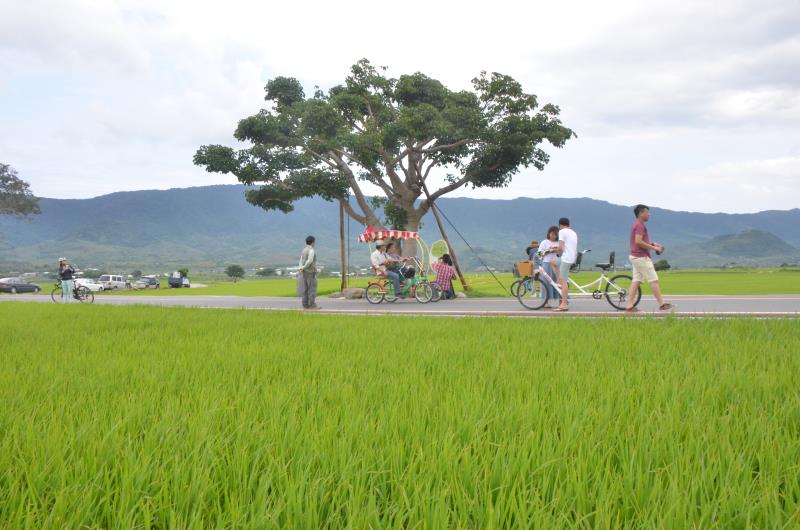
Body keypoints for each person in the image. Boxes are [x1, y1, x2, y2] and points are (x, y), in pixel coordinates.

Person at [626, 205, 673, 313]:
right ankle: (662, 304)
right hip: (641, 257)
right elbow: (638, 241)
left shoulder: (637, 225)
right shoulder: (639, 225)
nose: (649, 214)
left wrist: (651, 244)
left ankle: (629, 306)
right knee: (654, 280)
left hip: (635, 256)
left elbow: (638, 242)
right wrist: (654, 247)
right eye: (647, 212)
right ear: (641, 213)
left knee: (636, 281)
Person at [554, 217, 577, 312]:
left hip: (566, 258)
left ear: (560, 225)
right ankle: (559, 280)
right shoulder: (573, 232)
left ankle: (563, 304)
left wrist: (558, 253)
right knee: (553, 263)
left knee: (564, 282)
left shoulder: (562, 232)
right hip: (572, 258)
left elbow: (561, 247)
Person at [538, 226, 562, 308]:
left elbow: (560, 255)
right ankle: (546, 302)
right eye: (552, 234)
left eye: (555, 234)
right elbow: (539, 254)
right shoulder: (544, 242)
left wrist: (557, 251)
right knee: (546, 282)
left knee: (558, 282)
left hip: (556, 264)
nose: (553, 236)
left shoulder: (559, 243)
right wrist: (548, 251)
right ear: (549, 233)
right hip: (547, 264)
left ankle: (560, 300)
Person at [297, 235, 319, 309]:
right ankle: (312, 305)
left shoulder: (303, 250)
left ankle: (305, 305)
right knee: (312, 289)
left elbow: (300, 260)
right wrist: (303, 267)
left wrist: (301, 268)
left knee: (305, 289)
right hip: (310, 272)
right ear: (313, 242)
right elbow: (309, 261)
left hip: (304, 272)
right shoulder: (311, 250)